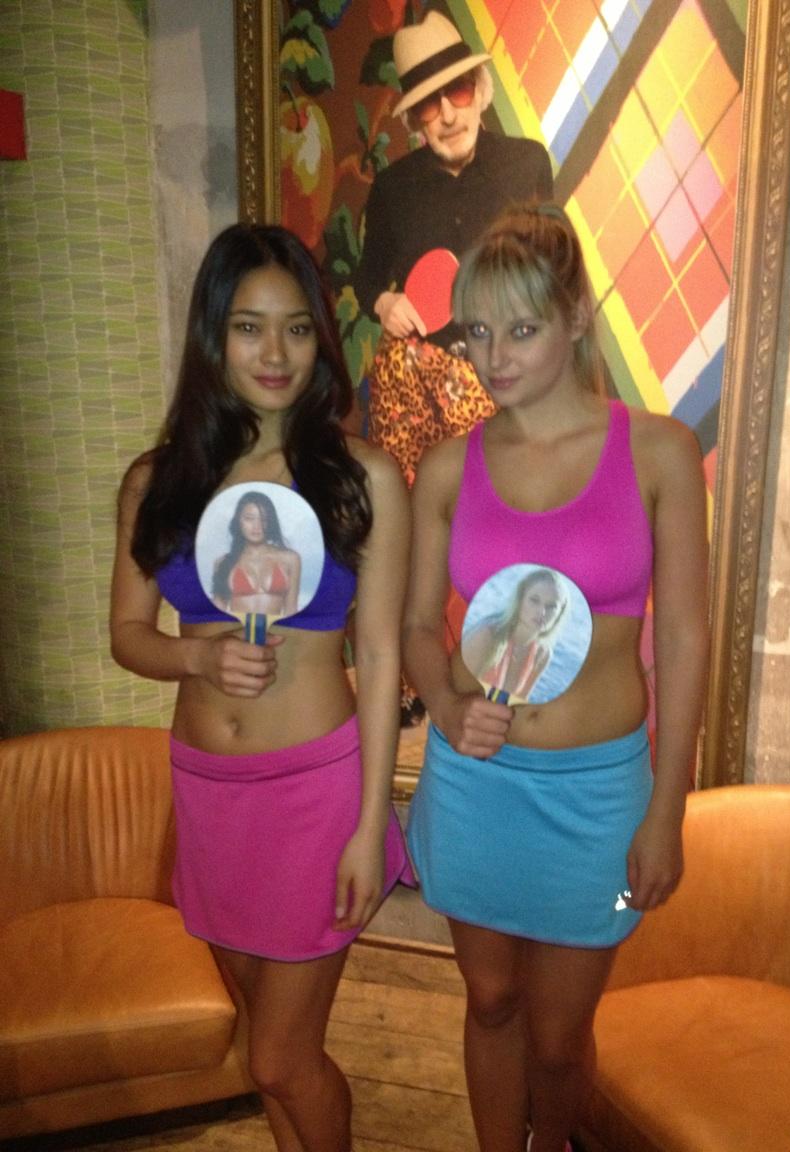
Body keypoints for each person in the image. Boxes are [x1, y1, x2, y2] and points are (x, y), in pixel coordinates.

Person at [403, 203, 709, 1152]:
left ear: (576, 318)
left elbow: (686, 637)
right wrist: (445, 705)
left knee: (559, 1032)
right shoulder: (448, 467)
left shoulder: (658, 450)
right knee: (491, 1000)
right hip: (474, 783)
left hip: (602, 795)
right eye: (477, 331)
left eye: (521, 329)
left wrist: (668, 809)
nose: (494, 357)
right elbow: (414, 627)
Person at [110, 223, 413, 1152]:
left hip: (315, 795)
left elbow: (382, 660)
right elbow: (127, 636)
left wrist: (370, 824)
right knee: (263, 1051)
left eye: (296, 328)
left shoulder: (362, 478)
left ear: (321, 338)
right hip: (209, 793)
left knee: (282, 1057)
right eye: (249, 327)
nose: (275, 352)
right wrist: (196, 659)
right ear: (214, 335)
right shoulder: (157, 482)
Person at [355, 9, 554, 722]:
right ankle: (412, 681)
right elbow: (368, 276)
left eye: (458, 92)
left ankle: (512, 669)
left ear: (480, 89)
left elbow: (551, 270)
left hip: (505, 379)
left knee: (505, 522)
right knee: (406, 524)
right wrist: (386, 302)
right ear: (414, 118)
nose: (447, 114)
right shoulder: (393, 189)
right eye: (428, 104)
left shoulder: (527, 162)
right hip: (420, 376)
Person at [461, 566, 568, 702]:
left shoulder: (542, 654)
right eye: (534, 600)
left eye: (551, 606)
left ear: (560, 613)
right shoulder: (486, 636)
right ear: (520, 598)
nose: (542, 612)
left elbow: (518, 703)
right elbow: (455, 691)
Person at [212, 489, 302, 618]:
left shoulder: (291, 559)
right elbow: (218, 612)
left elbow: (291, 610)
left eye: (263, 519)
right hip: (237, 627)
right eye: (249, 519)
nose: (257, 526)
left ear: (271, 522)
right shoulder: (224, 562)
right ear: (238, 521)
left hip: (276, 628)